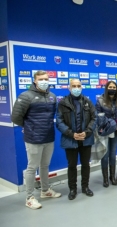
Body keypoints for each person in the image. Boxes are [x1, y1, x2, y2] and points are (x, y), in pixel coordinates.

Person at [11, 70, 61, 209]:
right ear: (35, 81)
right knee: (32, 167)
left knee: (45, 165)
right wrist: (28, 126)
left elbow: (51, 116)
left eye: (46, 79)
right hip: (33, 138)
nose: (44, 81)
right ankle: (29, 197)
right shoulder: (26, 96)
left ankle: (45, 191)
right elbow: (15, 117)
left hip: (48, 136)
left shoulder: (52, 96)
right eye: (41, 79)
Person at [56, 79, 96, 200]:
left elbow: (94, 118)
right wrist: (71, 134)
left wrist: (87, 132)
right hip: (70, 139)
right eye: (74, 86)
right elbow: (59, 121)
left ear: (82, 87)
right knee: (72, 165)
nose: (76, 88)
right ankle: (72, 189)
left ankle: (85, 187)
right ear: (69, 88)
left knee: (86, 165)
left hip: (86, 139)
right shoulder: (63, 103)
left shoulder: (88, 102)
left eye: (78, 86)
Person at [95, 81, 117, 187]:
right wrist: (110, 123)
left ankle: (112, 176)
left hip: (116, 131)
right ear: (107, 88)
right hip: (106, 131)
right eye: (110, 87)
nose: (112, 88)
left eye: (114, 87)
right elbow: (98, 115)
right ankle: (105, 179)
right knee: (105, 155)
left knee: (112, 154)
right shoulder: (100, 100)